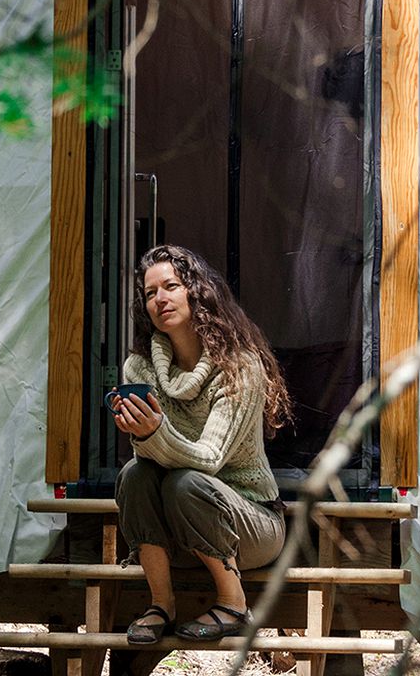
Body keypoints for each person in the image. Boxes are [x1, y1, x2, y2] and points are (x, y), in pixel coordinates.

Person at [109, 244, 294, 644]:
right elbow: (150, 456)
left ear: (196, 291)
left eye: (171, 286)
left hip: (253, 522)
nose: (160, 298)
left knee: (186, 483)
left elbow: (208, 459)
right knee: (135, 475)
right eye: (149, 292)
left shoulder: (239, 365)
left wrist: (154, 432)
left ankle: (233, 604)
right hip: (181, 527)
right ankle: (161, 603)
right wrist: (141, 435)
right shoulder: (138, 367)